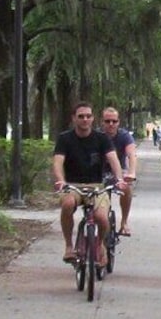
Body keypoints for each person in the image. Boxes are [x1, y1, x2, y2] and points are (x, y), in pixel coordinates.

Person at [52, 102, 127, 264]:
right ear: (74, 118)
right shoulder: (65, 139)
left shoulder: (102, 138)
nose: (85, 119)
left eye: (88, 116)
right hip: (72, 185)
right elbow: (58, 162)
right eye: (81, 116)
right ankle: (69, 247)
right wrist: (60, 181)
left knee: (102, 217)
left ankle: (100, 245)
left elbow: (113, 160)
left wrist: (119, 179)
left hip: (96, 186)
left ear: (93, 119)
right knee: (67, 204)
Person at [101, 107, 138, 236]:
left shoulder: (124, 136)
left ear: (118, 122)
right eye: (107, 121)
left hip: (119, 172)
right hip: (99, 173)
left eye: (114, 121)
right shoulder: (96, 136)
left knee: (127, 189)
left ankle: (124, 222)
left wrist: (131, 172)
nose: (111, 124)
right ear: (102, 122)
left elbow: (132, 154)